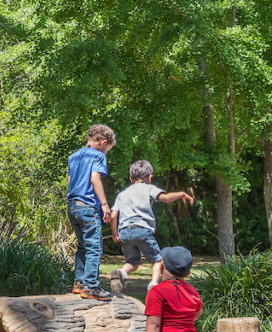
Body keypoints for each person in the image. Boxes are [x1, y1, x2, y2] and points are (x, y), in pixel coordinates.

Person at [110, 160, 194, 293]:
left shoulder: (122, 194)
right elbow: (165, 198)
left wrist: (115, 233)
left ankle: (120, 273)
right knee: (157, 259)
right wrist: (182, 194)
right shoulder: (149, 188)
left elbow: (113, 215)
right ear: (149, 177)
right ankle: (154, 285)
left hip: (124, 231)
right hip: (141, 228)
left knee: (133, 262)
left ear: (131, 179)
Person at [67, 124, 116, 301]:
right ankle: (92, 287)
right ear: (103, 142)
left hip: (72, 205)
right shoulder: (97, 155)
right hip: (88, 206)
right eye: (107, 149)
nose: (106, 153)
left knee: (82, 245)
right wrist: (104, 204)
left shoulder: (73, 156)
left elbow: (70, 181)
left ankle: (79, 283)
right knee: (94, 247)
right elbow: (95, 178)